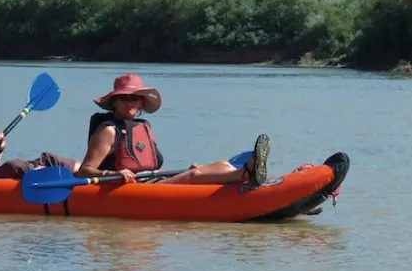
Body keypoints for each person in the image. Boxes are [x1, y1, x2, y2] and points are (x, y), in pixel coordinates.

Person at [74, 73, 271, 186]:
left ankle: (251, 175)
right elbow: (84, 171)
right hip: (126, 188)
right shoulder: (108, 131)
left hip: (149, 180)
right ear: (115, 102)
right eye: (124, 98)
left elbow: (149, 167)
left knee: (215, 165)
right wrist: (113, 174)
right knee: (194, 176)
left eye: (135, 98)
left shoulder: (143, 127)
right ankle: (245, 174)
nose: (130, 102)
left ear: (141, 102)